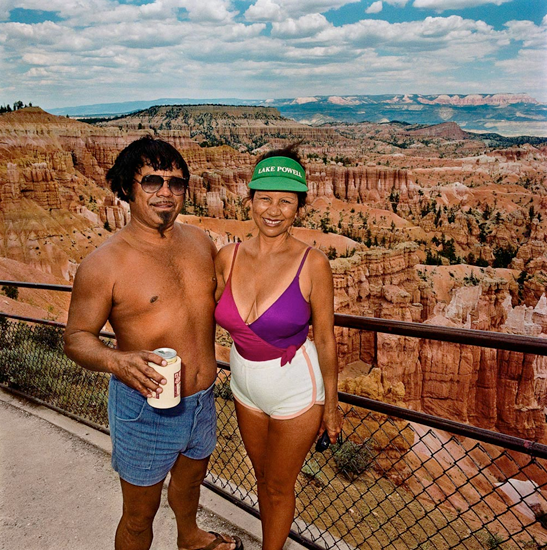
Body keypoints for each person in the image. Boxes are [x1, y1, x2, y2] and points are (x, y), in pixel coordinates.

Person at [64, 136, 242, 550]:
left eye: (177, 183)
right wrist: (118, 362)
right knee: (139, 516)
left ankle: (190, 537)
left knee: (191, 486)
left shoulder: (200, 242)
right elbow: (75, 338)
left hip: (201, 400)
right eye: (152, 181)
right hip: (146, 409)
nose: (166, 192)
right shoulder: (103, 264)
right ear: (127, 187)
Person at [214, 145, 342, 550]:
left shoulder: (313, 264)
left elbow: (324, 337)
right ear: (250, 200)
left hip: (295, 390)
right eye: (264, 198)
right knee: (262, 479)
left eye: (285, 201)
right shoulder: (226, 257)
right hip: (244, 386)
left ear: (298, 208)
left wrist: (333, 406)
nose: (273, 209)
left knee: (279, 486)